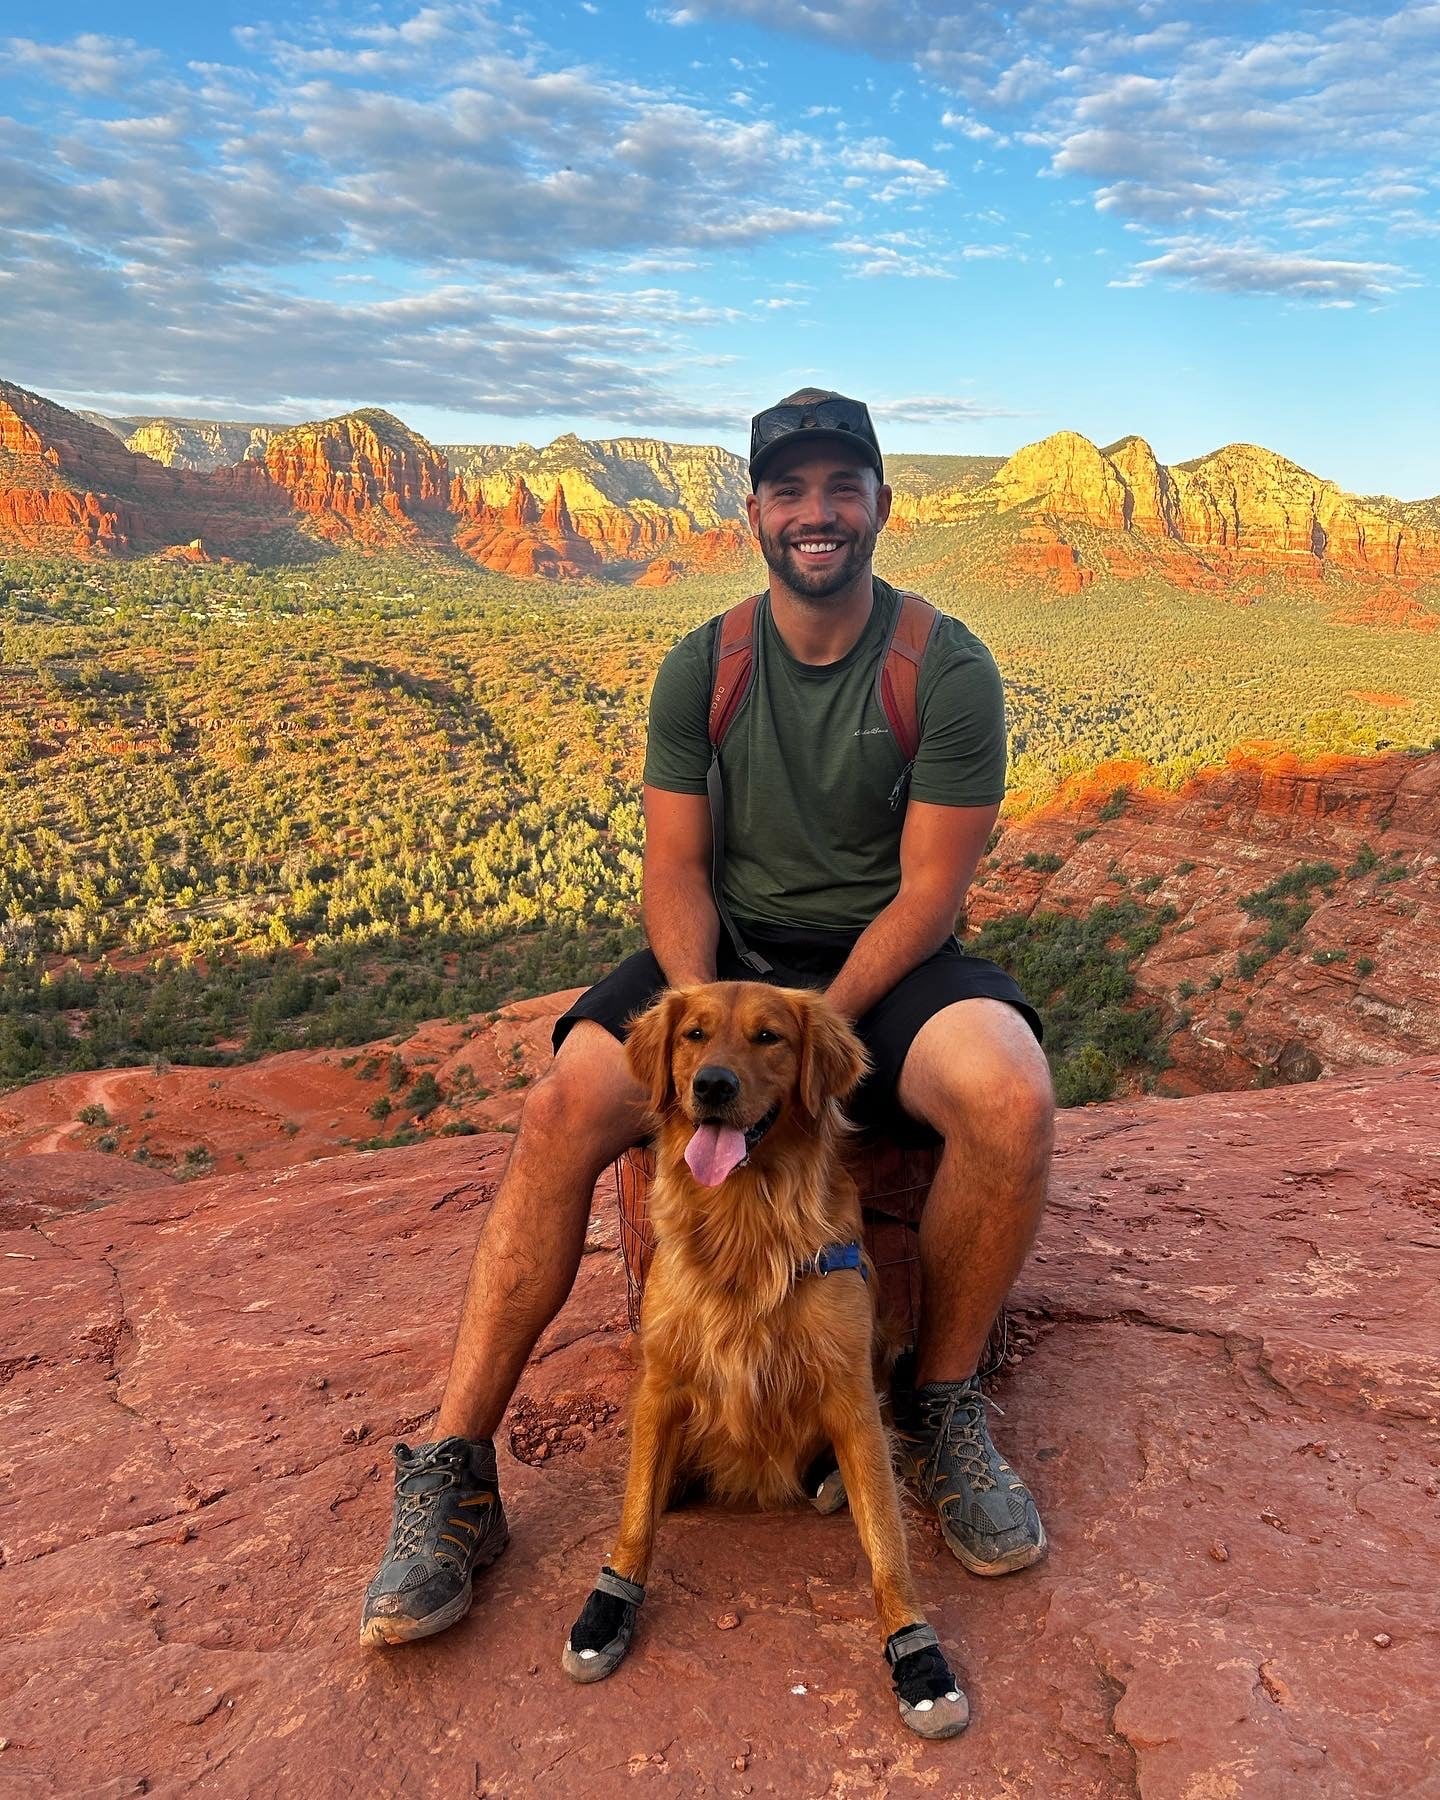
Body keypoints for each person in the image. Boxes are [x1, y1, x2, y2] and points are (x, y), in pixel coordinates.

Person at [359, 388, 1054, 1648]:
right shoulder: (711, 663)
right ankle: (455, 1463)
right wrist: (704, 1030)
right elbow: (674, 869)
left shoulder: (943, 669)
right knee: (563, 1103)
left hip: (884, 968)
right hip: (722, 969)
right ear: (753, 515)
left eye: (843, 488)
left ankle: (942, 1405)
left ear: (882, 508)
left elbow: (930, 892)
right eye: (790, 491)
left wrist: (807, 1048)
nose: (818, 513)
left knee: (1009, 1093)